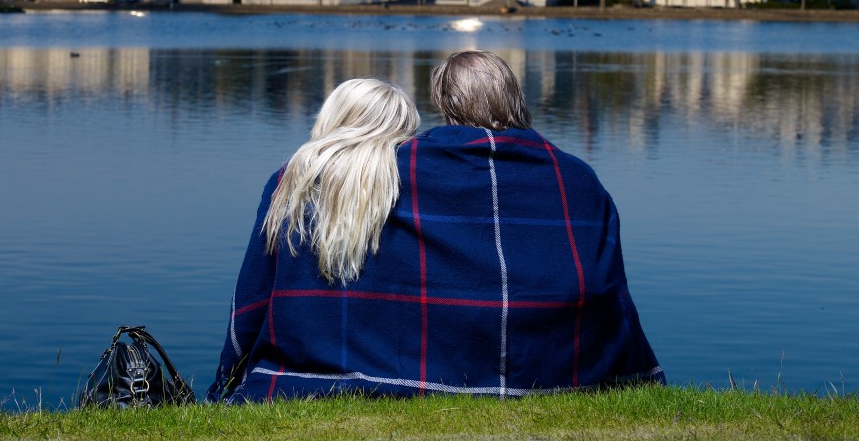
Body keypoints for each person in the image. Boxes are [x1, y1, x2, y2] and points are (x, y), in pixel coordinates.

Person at [208, 54, 662, 402]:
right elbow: (611, 292)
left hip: (407, 369)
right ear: (518, 100)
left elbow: (258, 294)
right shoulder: (579, 178)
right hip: (564, 368)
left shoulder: (384, 173)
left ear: (445, 105)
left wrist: (226, 379)